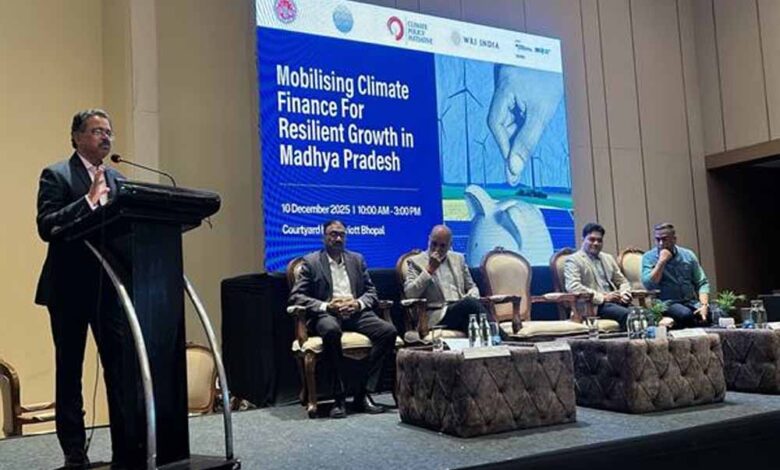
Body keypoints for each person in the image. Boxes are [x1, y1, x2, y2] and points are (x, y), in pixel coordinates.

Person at [35, 109, 128, 467]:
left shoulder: (118, 178)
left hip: (109, 289)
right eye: (97, 131)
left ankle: (126, 448)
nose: (105, 137)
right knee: (69, 371)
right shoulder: (56, 175)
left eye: (109, 132)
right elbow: (47, 226)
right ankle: (74, 453)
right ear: (76, 137)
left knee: (119, 370)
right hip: (68, 289)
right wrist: (87, 201)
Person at [289, 220, 397, 419]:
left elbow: (371, 292)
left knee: (388, 332)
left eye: (341, 234)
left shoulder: (357, 259)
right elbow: (297, 297)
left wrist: (358, 303)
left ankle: (362, 391)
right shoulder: (311, 262)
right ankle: (338, 397)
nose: (338, 238)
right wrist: (326, 306)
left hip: (355, 313)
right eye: (333, 234)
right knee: (331, 331)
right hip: (327, 314)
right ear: (324, 237)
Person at [404, 225, 495, 335]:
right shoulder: (416, 262)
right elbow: (410, 293)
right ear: (429, 240)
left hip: (462, 308)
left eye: (442, 246)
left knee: (473, 320)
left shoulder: (458, 259)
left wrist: (472, 295)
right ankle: (503, 339)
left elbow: (472, 287)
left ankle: (497, 341)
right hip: (437, 315)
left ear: (450, 245)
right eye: (434, 244)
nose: (437, 249)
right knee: (470, 306)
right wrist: (429, 270)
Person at [642, 223, 710, 328]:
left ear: (674, 239)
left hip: (691, 302)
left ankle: (680, 324)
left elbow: (702, 283)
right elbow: (649, 285)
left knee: (716, 313)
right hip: (668, 304)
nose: (660, 243)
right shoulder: (649, 257)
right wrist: (661, 262)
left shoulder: (688, 255)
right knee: (686, 315)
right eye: (657, 240)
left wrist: (704, 305)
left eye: (664, 239)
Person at [564, 223, 632, 329]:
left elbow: (622, 281)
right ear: (583, 240)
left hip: (615, 302)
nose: (596, 243)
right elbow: (573, 286)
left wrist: (624, 293)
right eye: (591, 239)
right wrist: (603, 297)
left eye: (599, 240)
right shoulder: (573, 260)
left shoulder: (608, 258)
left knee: (645, 314)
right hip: (592, 306)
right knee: (628, 315)